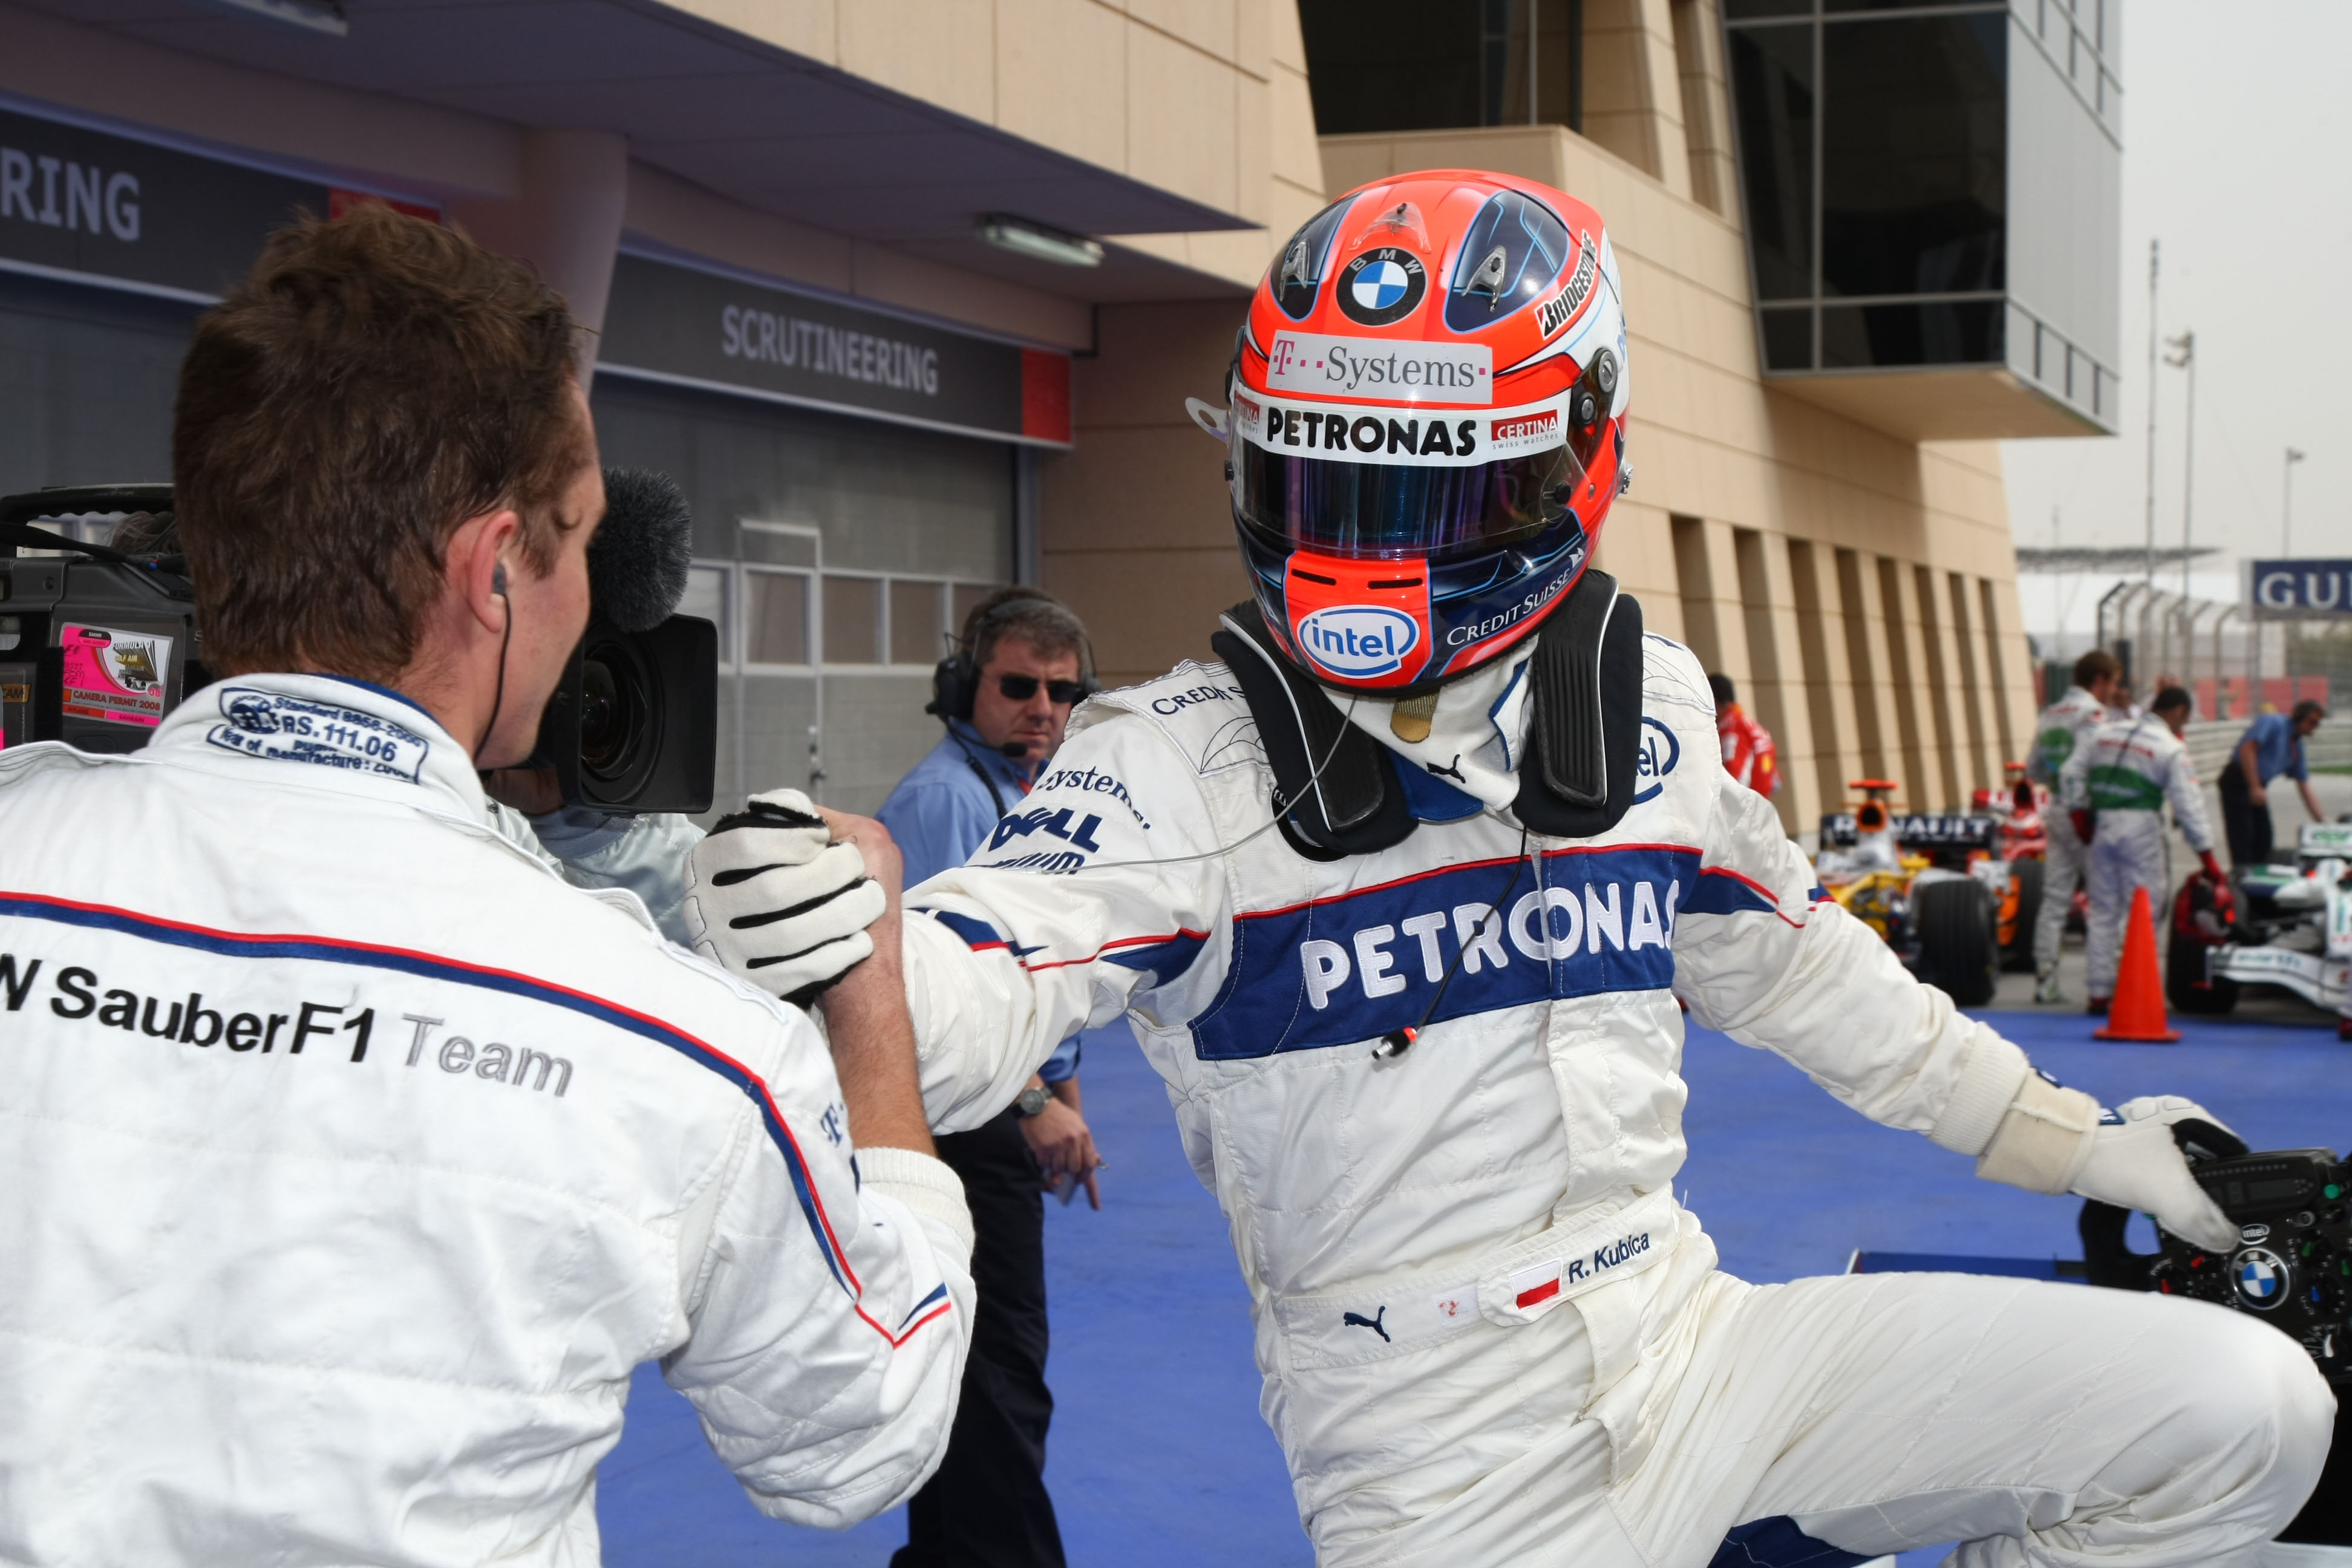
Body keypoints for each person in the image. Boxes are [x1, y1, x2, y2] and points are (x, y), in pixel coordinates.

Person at [692, 172, 2329, 1566]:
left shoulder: (1659, 711)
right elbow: (977, 980)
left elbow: (1831, 989)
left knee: (2257, 1414)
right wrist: (830, 931)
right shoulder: (1171, 758)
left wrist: (2096, 1149)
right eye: (1332, 479)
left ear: (1584, 446)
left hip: (1698, 1344)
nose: (1379, 540)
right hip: (1437, 1459)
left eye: (1440, 483)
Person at [0, 206, 973, 1565]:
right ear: (491, 572)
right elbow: (867, 1426)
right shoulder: (674, 1038)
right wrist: (866, 1001)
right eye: (571, 544)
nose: (586, 602)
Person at [875, 587, 1108, 1568]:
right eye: (1018, 686)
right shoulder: (946, 802)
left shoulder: (1026, 795)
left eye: (1061, 691)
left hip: (998, 1117)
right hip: (962, 1129)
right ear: (965, 687)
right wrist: (1031, 1105)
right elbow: (931, 999)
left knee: (981, 1375)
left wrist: (1067, 1102)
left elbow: (1039, 981)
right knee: (997, 1380)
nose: (1041, 708)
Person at [2059, 686, 2223, 1014]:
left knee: (2103, 910)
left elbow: (2069, 772)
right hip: (2142, 832)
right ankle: (2135, 990)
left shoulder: (2103, 733)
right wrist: (2208, 858)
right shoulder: (2169, 747)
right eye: (2185, 721)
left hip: (2102, 828)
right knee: (2145, 909)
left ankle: (2099, 993)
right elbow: (2188, 806)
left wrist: (2079, 815)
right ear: (2178, 712)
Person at [2022, 650, 2120, 1004]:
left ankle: (2045, 984)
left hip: (2057, 811)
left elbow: (2033, 771)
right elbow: (2089, 765)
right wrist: (2084, 812)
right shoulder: (2092, 714)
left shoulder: (2050, 714)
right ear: (2099, 680)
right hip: (2085, 816)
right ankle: (2104, 986)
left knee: (2054, 900)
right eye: (2113, 683)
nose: (2113, 691)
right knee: (2105, 900)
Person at [2221, 699, 2327, 871]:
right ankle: (2240, 876)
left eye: (2317, 724)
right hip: (2239, 779)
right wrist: (2254, 786)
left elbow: (2304, 786)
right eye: (2312, 722)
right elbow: (2248, 748)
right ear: (2299, 716)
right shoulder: (2273, 722)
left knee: (2264, 837)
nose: (2314, 727)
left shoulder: (2296, 747)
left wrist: (2321, 822)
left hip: (2258, 784)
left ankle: (2260, 876)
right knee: (2242, 835)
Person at [1708, 672, 1779, 800]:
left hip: (1745, 807)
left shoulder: (1731, 726)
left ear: (1713, 700)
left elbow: (1734, 773)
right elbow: (1775, 780)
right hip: (1761, 803)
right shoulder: (1750, 724)